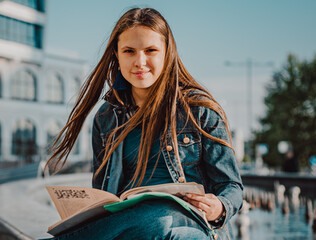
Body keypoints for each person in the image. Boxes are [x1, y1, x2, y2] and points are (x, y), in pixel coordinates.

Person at [46, 8, 243, 239]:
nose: (140, 62)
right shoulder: (105, 118)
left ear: (167, 54)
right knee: (146, 220)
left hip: (192, 228)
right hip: (133, 226)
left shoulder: (201, 111)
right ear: (117, 56)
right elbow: (103, 196)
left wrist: (219, 207)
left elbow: (232, 186)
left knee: (161, 219)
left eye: (150, 50)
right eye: (129, 51)